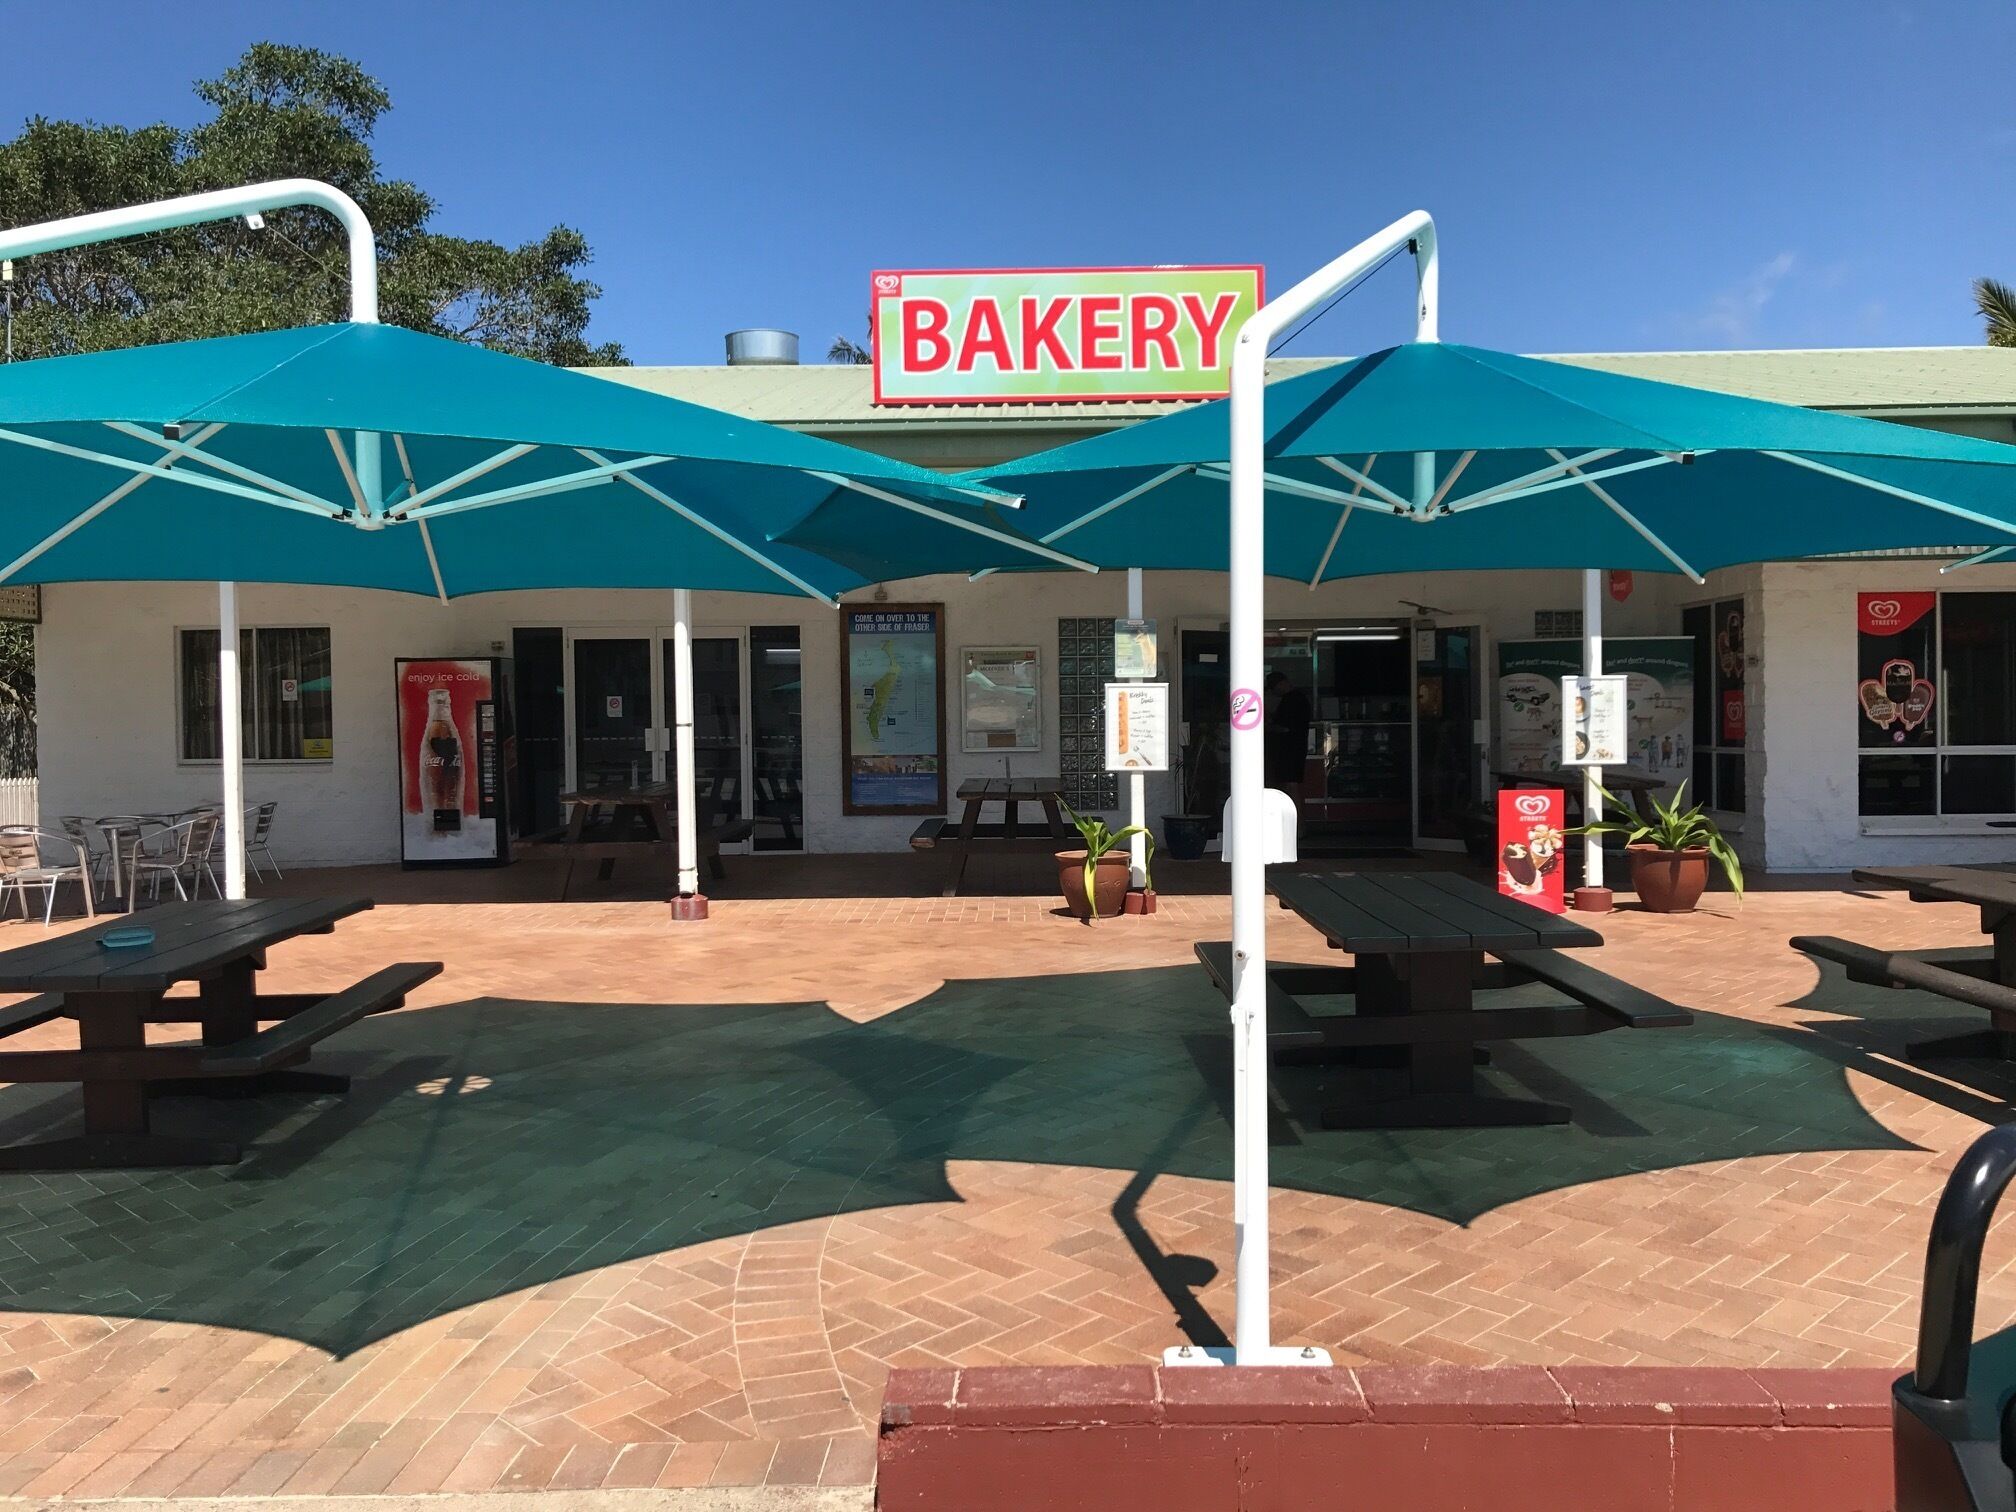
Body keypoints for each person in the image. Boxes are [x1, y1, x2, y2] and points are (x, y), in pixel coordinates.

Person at [1263, 670, 1314, 804]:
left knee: (1290, 785)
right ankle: (1298, 821)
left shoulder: (1291, 700)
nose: (1274, 692)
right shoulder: (1298, 698)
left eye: (1274, 688)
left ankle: (1296, 819)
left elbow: (1285, 726)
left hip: (1289, 750)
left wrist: (1267, 727)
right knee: (1291, 785)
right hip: (1294, 749)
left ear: (1281, 684)